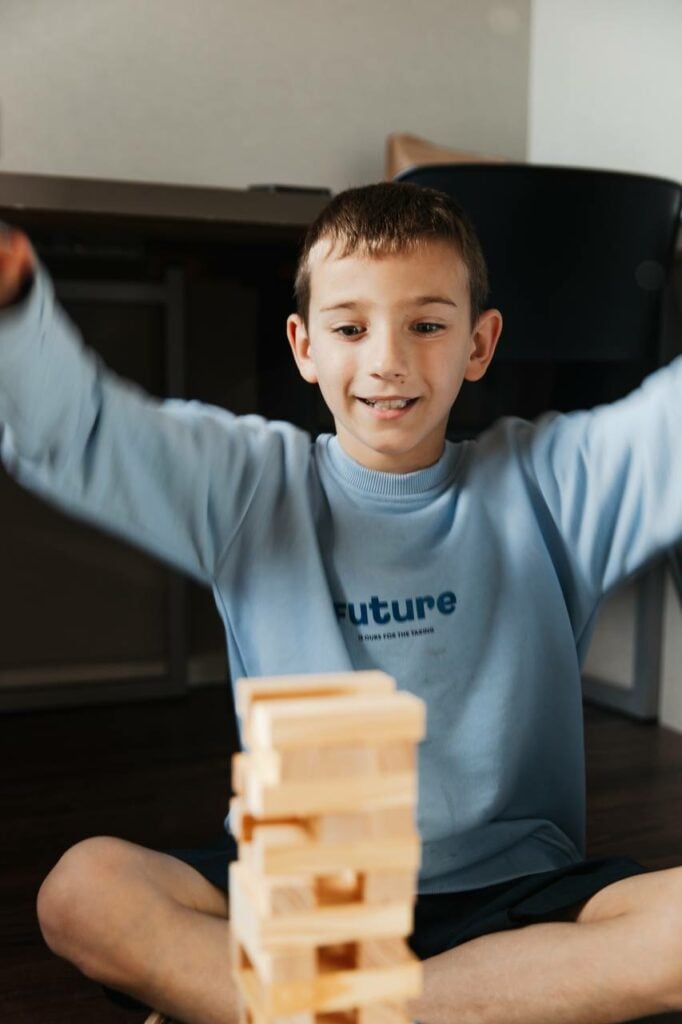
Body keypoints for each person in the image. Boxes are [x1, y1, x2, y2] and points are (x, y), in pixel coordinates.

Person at [1, 181, 682, 1024]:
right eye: (351, 328)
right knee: (83, 890)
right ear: (304, 344)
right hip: (311, 898)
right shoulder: (250, 486)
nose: (387, 360)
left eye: (427, 325)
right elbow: (80, 432)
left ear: (479, 342)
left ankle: (306, 1012)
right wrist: (14, 307)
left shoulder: (553, 486)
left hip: (522, 891)